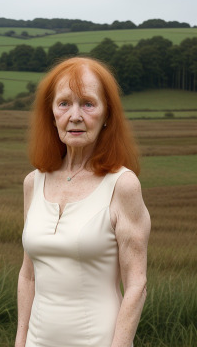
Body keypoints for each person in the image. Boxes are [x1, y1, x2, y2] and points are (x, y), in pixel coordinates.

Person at [15, 57, 151, 347]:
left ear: (107, 115)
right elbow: (28, 277)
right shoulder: (33, 183)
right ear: (51, 114)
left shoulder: (122, 185)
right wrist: (20, 341)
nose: (74, 116)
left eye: (88, 104)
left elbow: (137, 285)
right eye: (64, 103)